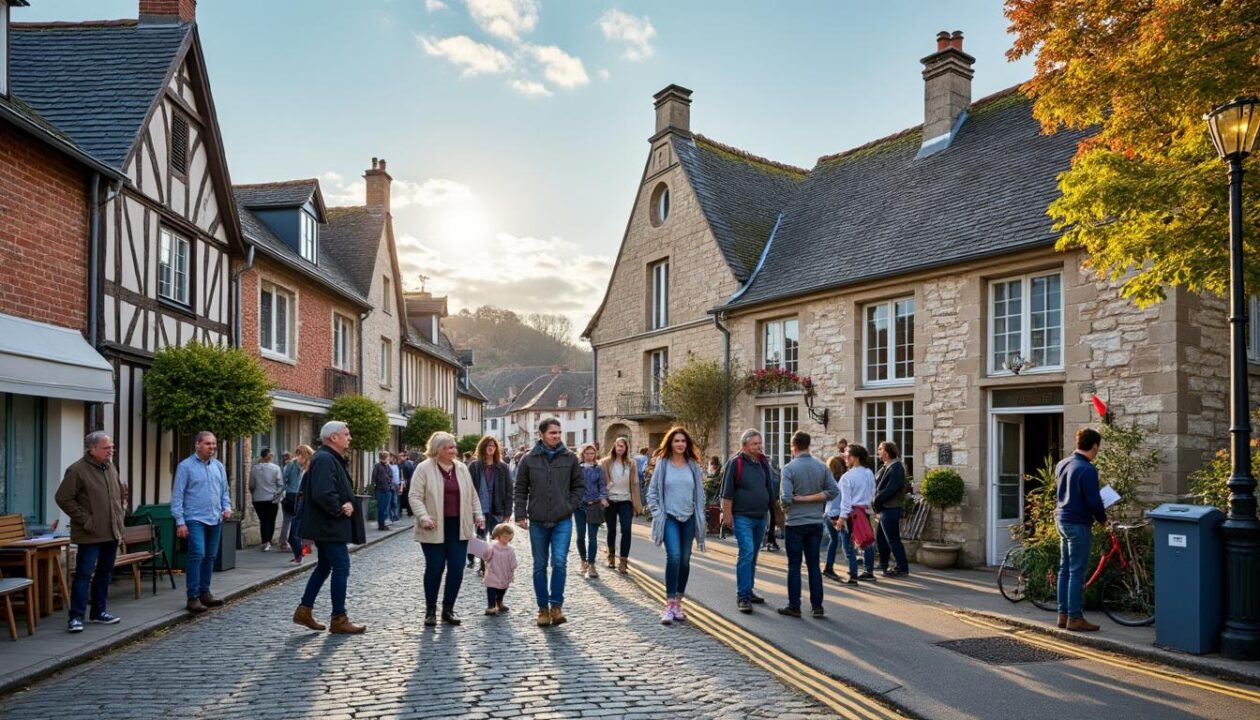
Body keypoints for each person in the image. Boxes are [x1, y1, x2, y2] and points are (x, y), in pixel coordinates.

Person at [293, 421, 366, 634]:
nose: (349, 437)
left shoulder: (329, 458)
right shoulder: (325, 458)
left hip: (326, 525)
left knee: (325, 566)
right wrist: (341, 509)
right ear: (333, 437)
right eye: (346, 434)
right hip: (328, 525)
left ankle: (304, 610)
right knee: (341, 566)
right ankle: (339, 618)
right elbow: (323, 493)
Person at [513, 417, 583, 628]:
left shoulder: (570, 458)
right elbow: (520, 488)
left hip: (562, 520)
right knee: (539, 565)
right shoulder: (529, 459)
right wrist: (520, 514)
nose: (557, 436)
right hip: (538, 520)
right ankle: (542, 609)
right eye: (553, 433)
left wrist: (569, 506)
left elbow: (579, 487)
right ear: (541, 434)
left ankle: (556, 607)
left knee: (560, 563)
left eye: (559, 433)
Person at [411, 432, 485, 627]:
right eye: (448, 447)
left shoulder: (461, 468)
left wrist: (478, 514)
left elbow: (472, 494)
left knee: (457, 568)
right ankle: (430, 610)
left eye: (454, 447)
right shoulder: (424, 468)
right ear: (437, 449)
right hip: (433, 526)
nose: (453, 450)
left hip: (458, 526)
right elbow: (415, 496)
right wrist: (424, 517)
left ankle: (448, 609)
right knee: (435, 568)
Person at [55, 431, 126, 632]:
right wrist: (86, 520)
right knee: (84, 574)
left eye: (111, 447)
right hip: (90, 533)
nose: (111, 451)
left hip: (111, 531)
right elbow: (63, 498)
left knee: (104, 573)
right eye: (106, 448)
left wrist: (120, 517)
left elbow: (115, 495)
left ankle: (99, 612)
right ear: (91, 449)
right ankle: (76, 617)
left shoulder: (110, 467)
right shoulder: (77, 470)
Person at [645, 427, 707, 625]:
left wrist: (700, 513)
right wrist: (658, 513)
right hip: (669, 517)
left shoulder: (693, 466)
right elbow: (652, 493)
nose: (680, 444)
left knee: (685, 560)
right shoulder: (663, 464)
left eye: (683, 441)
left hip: (688, 517)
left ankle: (678, 602)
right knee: (674, 556)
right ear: (670, 443)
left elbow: (700, 494)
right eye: (676, 441)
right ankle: (670, 604)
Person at [778, 432, 839, 618]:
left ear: (793, 447)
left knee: (794, 565)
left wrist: (788, 507)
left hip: (795, 523)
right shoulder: (822, 467)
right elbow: (833, 491)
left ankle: (794, 605)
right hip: (815, 522)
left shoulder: (789, 469)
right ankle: (817, 606)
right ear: (809, 445)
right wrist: (811, 499)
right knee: (813, 564)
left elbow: (786, 498)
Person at [172, 431, 232, 614]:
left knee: (210, 556)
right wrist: (180, 522)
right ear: (197, 445)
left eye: (213, 444)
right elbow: (177, 496)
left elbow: (224, 490)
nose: (212, 447)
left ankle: (205, 593)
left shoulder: (218, 466)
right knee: (197, 553)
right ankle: (193, 597)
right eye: (208, 444)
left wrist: (227, 507)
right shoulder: (186, 467)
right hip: (194, 518)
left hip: (215, 518)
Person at [1055, 428, 1107, 632]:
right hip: (1078, 523)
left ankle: (1063, 615)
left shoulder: (1062, 463)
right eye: (1098, 448)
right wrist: (1103, 519)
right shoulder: (1087, 469)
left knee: (1065, 569)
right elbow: (1094, 501)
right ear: (1094, 446)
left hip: (1062, 521)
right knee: (1077, 570)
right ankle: (1075, 618)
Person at [720, 429, 774, 613]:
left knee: (753, 556)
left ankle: (748, 590)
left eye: (760, 443)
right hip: (742, 517)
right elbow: (726, 494)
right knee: (747, 552)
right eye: (754, 444)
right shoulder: (736, 463)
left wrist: (772, 517)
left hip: (761, 517)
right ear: (744, 446)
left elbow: (769, 489)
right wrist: (727, 517)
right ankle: (742, 596)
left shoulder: (763, 463)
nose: (759, 447)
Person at [832, 444, 877, 584]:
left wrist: (841, 519)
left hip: (851, 514)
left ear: (855, 458)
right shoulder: (869, 473)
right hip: (865, 512)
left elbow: (846, 501)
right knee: (867, 540)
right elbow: (872, 493)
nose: (845, 458)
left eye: (848, 455)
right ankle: (869, 571)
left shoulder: (847, 477)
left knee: (848, 546)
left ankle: (853, 575)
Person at [467, 437, 512, 574]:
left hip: (497, 508)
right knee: (481, 539)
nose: (490, 448)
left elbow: (509, 490)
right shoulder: (474, 467)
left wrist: (508, 512)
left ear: (496, 448)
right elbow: (468, 489)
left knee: (497, 539)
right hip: (480, 509)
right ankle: (483, 566)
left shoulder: (503, 467)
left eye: (493, 445)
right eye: (487, 445)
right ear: (482, 448)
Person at [602, 436, 643, 575]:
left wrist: (637, 504)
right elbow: (601, 482)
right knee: (611, 529)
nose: (620, 448)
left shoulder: (631, 463)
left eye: (623, 446)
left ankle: (623, 561)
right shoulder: (606, 462)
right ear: (614, 446)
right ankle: (611, 557)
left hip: (626, 500)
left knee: (626, 530)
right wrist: (603, 498)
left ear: (626, 449)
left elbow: (635, 484)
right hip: (611, 500)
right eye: (618, 445)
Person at [872, 441, 910, 576]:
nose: (878, 452)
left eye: (880, 449)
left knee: (893, 540)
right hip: (883, 509)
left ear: (887, 452)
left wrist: (877, 500)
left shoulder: (896, 467)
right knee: (881, 539)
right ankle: (883, 564)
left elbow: (891, 489)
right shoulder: (887, 467)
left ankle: (902, 567)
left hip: (891, 509)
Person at [574, 444, 608, 579]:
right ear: (583, 454)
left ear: (595, 455)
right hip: (579, 506)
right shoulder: (577, 469)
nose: (589, 456)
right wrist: (578, 499)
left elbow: (602, 486)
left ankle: (592, 564)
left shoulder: (598, 469)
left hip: (594, 505)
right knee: (580, 536)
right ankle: (583, 560)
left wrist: (602, 498)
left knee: (592, 537)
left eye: (592, 453)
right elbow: (574, 487)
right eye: (587, 453)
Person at [249, 449, 284, 551]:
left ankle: (265, 541)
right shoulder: (276, 468)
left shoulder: (255, 469)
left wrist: (254, 494)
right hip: (271, 498)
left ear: (261, 456)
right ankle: (268, 541)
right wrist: (276, 494)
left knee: (263, 520)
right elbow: (280, 484)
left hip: (258, 498)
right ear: (271, 457)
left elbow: (251, 485)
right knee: (271, 520)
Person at [287, 445, 315, 565]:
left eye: (300, 455)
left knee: (294, 534)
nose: (297, 457)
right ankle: (299, 554)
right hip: (300, 503)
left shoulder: (311, 469)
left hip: (304, 504)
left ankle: (299, 556)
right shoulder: (303, 468)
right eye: (297, 454)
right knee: (295, 533)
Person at [482, 523, 518, 616]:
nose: (507, 539)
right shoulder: (492, 546)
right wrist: (486, 552)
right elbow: (487, 557)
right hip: (493, 572)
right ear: (498, 536)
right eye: (505, 537)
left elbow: (513, 561)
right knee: (491, 589)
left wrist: (513, 568)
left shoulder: (510, 549)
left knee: (502, 589)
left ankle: (499, 601)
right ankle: (491, 606)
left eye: (509, 537)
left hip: (505, 573)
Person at [280, 447, 304, 552]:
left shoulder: (305, 466)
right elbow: (283, 479)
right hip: (293, 494)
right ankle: (285, 542)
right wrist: (285, 490)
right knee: (290, 519)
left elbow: (283, 479)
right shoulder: (292, 465)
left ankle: (293, 542)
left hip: (298, 495)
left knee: (293, 520)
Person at [372, 452, 393, 531]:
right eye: (388, 457)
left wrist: (390, 483)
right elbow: (374, 477)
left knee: (385, 508)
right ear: (385, 457)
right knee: (381, 508)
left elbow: (390, 476)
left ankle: (383, 523)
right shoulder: (377, 466)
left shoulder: (387, 466)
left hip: (387, 489)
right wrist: (375, 487)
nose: (388, 459)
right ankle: (381, 525)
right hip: (380, 490)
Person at [706, 456, 725, 540]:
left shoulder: (720, 475)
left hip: (716, 499)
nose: (710, 467)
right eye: (710, 465)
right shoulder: (711, 476)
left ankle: (713, 527)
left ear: (716, 466)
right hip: (710, 499)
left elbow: (715, 487)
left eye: (712, 465)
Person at [399, 451, 417, 517]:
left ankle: (402, 511)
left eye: (401, 456)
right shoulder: (411, 464)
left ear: (405, 457)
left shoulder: (403, 464)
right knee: (407, 496)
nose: (400, 457)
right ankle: (410, 511)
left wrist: (402, 484)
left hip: (405, 482)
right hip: (410, 482)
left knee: (403, 497)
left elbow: (402, 475)